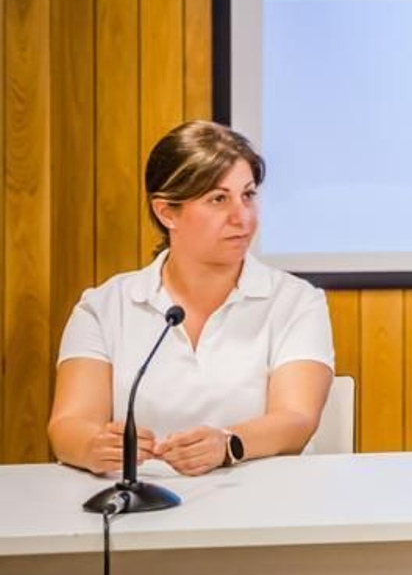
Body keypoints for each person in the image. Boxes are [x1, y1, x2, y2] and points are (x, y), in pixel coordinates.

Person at [48, 121, 334, 477]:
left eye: (247, 195)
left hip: (263, 506)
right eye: (218, 199)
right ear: (166, 212)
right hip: (141, 511)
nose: (242, 217)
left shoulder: (296, 301)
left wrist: (228, 443)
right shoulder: (103, 307)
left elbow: (297, 419)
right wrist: (93, 446)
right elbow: (69, 424)